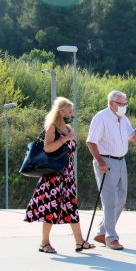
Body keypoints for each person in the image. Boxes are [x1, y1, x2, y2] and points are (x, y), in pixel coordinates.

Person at [24, 97, 95, 253]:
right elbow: (48, 148)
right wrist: (65, 140)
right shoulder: (52, 127)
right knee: (50, 208)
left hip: (67, 175)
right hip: (53, 176)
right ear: (61, 111)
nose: (72, 112)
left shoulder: (68, 128)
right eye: (69, 109)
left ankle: (79, 241)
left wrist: (68, 137)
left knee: (71, 208)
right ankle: (44, 243)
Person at [86, 90, 136, 250]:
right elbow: (91, 142)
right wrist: (100, 161)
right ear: (111, 103)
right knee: (110, 200)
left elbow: (133, 137)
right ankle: (111, 237)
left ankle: (102, 232)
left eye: (125, 103)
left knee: (121, 199)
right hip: (106, 161)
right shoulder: (101, 118)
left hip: (121, 162)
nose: (123, 106)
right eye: (120, 103)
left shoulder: (124, 119)